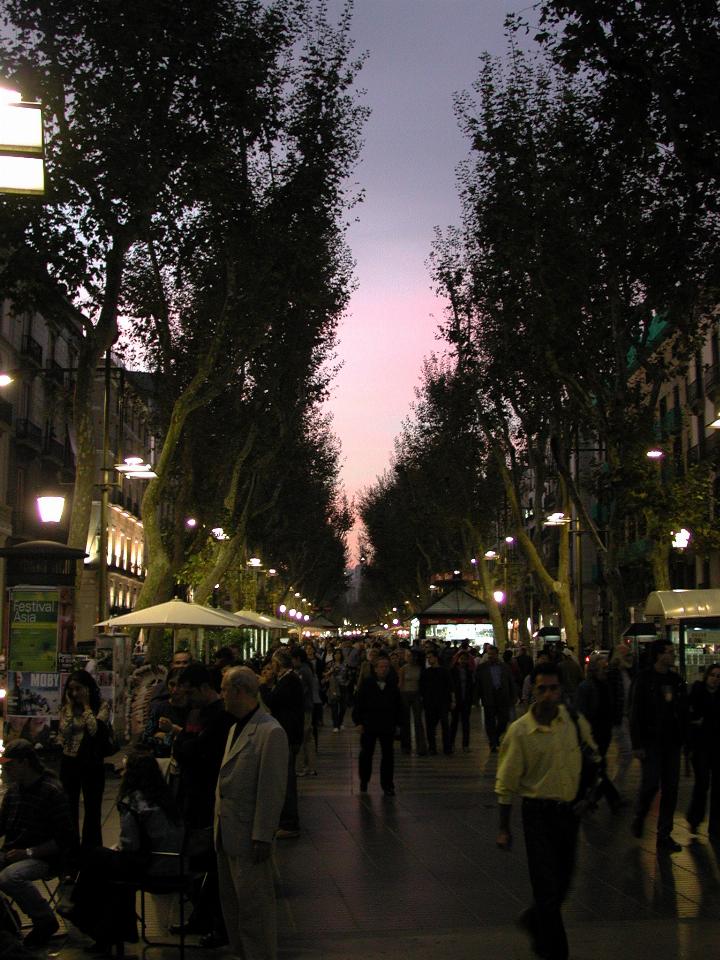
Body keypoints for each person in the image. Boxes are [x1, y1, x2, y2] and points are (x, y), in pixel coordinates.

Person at [496, 662, 598, 960]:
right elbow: (506, 781)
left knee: (564, 882)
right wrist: (503, 827)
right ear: (533, 692)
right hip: (538, 815)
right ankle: (556, 952)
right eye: (542, 689)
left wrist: (588, 797)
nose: (549, 695)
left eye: (554, 688)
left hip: (569, 813)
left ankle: (534, 921)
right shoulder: (520, 732)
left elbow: (593, 757)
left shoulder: (574, 722)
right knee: (546, 889)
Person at [64, 748, 184, 952]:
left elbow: (130, 844)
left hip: (150, 863)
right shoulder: (165, 798)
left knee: (97, 859)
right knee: (106, 872)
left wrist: (115, 850)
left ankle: (82, 912)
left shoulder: (133, 801)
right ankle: (101, 931)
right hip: (174, 862)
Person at [216, 667, 289, 960]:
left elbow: (272, 788)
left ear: (239, 691)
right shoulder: (235, 727)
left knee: (254, 910)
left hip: (249, 837)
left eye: (223, 689)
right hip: (227, 834)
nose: (221, 695)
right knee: (233, 907)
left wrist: (263, 834)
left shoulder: (271, 732)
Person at [172, 663, 235, 945]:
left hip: (209, 796)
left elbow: (199, 752)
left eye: (188, 691)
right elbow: (187, 747)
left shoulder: (220, 717)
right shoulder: (196, 713)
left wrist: (185, 743)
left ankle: (218, 924)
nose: (184, 696)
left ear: (202, 689)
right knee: (200, 861)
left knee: (210, 862)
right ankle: (202, 917)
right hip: (193, 794)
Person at [0, 739, 76, 949]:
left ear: (25, 763)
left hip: (44, 857)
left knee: (9, 877)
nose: (6, 770)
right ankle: (7, 920)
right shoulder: (13, 792)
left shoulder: (52, 792)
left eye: (10, 765)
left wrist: (28, 853)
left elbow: (64, 839)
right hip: (13, 852)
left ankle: (44, 919)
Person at [629, 638, 687, 852]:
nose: (673, 655)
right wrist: (637, 743)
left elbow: (681, 710)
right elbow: (635, 712)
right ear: (659, 655)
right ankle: (641, 813)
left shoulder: (676, 680)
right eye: (670, 652)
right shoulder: (644, 679)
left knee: (671, 789)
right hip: (651, 741)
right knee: (651, 783)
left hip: (672, 743)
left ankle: (665, 834)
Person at [58, 670, 111, 852]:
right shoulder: (67, 707)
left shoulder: (101, 706)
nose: (75, 693)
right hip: (70, 761)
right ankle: (71, 850)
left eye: (78, 689)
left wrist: (87, 707)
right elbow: (64, 730)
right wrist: (71, 707)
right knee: (69, 806)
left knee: (92, 808)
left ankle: (91, 850)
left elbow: (95, 730)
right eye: (71, 689)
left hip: (92, 762)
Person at [259, 650, 305, 839]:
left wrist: (263, 687)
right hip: (290, 732)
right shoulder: (290, 679)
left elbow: (273, 702)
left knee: (286, 779)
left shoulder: (289, 681)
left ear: (278, 664)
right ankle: (286, 819)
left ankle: (289, 822)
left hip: (288, 733)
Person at [576, 654, 624, 811]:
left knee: (596, 766)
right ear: (595, 668)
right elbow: (582, 713)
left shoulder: (605, 684)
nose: (606, 670)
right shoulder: (586, 686)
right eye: (603, 667)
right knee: (598, 765)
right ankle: (611, 798)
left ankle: (590, 798)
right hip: (592, 732)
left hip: (604, 731)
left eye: (606, 666)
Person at [353, 654, 403, 796]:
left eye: (386, 667)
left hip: (387, 724)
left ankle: (387, 784)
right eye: (381, 666)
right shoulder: (367, 683)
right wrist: (358, 722)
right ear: (375, 669)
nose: (384, 669)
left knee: (388, 755)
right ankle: (364, 780)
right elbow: (359, 704)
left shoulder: (392, 683)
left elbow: (398, 705)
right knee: (366, 754)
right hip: (369, 724)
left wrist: (399, 723)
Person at [686, 662, 720, 838]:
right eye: (713, 675)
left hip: (715, 745)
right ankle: (695, 818)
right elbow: (691, 717)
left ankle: (714, 826)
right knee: (702, 782)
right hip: (701, 746)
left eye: (718, 676)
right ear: (707, 676)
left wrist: (704, 722)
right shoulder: (698, 692)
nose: (715, 679)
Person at [476, 645, 516, 752]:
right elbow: (478, 684)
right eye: (489, 654)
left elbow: (510, 681)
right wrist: (477, 698)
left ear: (497, 655)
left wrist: (514, 695)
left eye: (492, 654)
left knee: (503, 720)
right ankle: (493, 742)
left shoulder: (504, 667)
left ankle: (496, 736)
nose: (490, 656)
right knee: (490, 721)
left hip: (503, 697)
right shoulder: (482, 668)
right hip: (488, 697)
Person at [608, 642, 635, 794]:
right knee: (626, 752)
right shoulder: (614, 674)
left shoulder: (626, 673)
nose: (630, 658)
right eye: (627, 655)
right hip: (619, 718)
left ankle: (617, 787)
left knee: (625, 753)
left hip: (625, 717)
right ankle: (615, 786)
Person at [420, 648, 453, 755]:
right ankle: (432, 747)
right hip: (430, 702)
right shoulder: (426, 672)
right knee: (430, 726)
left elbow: (449, 687)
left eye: (430, 657)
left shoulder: (444, 671)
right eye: (427, 658)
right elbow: (423, 688)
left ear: (436, 658)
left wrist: (451, 700)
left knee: (444, 725)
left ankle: (447, 747)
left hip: (442, 701)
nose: (429, 659)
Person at [398, 649, 427, 755]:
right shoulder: (403, 669)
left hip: (416, 694)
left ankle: (421, 747)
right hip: (405, 694)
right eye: (409, 656)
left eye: (412, 656)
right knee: (405, 720)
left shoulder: (421, 668)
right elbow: (400, 684)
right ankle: (406, 746)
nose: (410, 658)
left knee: (418, 720)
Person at [450, 650, 474, 752]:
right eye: (462, 659)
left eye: (465, 659)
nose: (463, 661)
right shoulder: (452, 671)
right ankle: (451, 743)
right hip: (456, 699)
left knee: (465, 723)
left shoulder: (469, 672)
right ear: (458, 659)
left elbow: (471, 686)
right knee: (454, 722)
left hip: (466, 700)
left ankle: (465, 744)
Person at [323, 648, 351, 732]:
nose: (337, 655)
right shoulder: (330, 664)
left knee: (343, 707)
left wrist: (347, 683)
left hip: (343, 686)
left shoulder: (345, 664)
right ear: (333, 655)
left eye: (339, 653)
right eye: (336, 654)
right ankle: (335, 725)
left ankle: (340, 722)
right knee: (334, 706)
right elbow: (325, 675)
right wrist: (330, 673)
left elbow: (349, 675)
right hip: (333, 687)